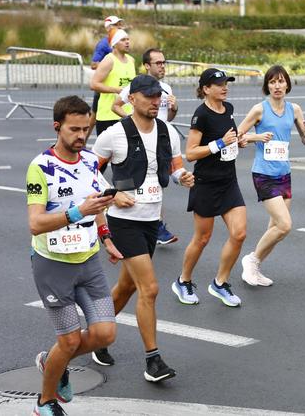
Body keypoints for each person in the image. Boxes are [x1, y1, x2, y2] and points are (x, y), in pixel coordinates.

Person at [91, 75, 194, 381]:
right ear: (132, 99)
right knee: (149, 288)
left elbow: (175, 168)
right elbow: (87, 173)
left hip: (151, 220)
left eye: (157, 96)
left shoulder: (167, 131)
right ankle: (153, 360)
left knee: (127, 286)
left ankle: (97, 335)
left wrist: (182, 177)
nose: (155, 101)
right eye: (148, 96)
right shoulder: (114, 134)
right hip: (125, 223)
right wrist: (112, 193)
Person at [27, 96, 121, 415]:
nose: (81, 135)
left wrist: (106, 237)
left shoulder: (91, 161)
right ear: (57, 127)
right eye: (74, 129)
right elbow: (36, 223)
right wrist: (75, 211)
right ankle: (45, 401)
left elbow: (97, 204)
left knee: (105, 333)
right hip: (53, 267)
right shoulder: (40, 167)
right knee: (67, 342)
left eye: (86, 129)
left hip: (89, 261)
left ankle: (52, 361)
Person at [172, 68, 247, 307]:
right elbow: (191, 153)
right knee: (202, 238)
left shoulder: (230, 109)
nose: (225, 87)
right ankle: (183, 281)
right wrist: (219, 143)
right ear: (206, 89)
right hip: (206, 184)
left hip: (229, 182)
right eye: (219, 84)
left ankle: (220, 283)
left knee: (239, 233)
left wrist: (237, 142)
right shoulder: (201, 114)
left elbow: (229, 141)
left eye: (226, 83)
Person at [237, 65, 305, 286]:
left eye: (281, 81)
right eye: (272, 82)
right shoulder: (259, 110)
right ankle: (251, 260)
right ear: (267, 86)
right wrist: (257, 137)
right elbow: (236, 137)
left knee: (275, 229)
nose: (277, 86)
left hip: (284, 174)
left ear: (287, 84)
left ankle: (256, 267)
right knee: (285, 225)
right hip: (263, 174)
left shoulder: (295, 109)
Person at [113, 48, 179, 246]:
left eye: (164, 62)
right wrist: (132, 123)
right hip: (139, 142)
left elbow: (168, 118)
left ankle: (154, 225)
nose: (162, 66)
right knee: (137, 180)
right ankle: (138, 223)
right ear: (147, 66)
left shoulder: (167, 88)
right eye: (158, 63)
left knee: (159, 182)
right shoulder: (136, 86)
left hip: (161, 142)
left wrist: (174, 108)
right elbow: (115, 105)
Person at [89, 28, 135, 143]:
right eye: (123, 40)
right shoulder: (109, 60)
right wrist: (117, 90)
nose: (127, 42)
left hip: (127, 114)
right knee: (104, 158)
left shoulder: (131, 60)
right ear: (114, 44)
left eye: (128, 39)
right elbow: (93, 84)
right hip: (107, 116)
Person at [89, 16, 124, 136]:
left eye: (120, 24)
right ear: (108, 28)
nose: (120, 26)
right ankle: (82, 144)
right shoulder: (103, 44)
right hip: (105, 88)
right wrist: (107, 65)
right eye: (116, 24)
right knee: (93, 118)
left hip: (119, 89)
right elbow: (93, 64)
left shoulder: (122, 41)